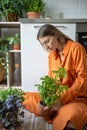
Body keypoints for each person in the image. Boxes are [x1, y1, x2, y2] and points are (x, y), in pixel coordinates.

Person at [23, 24, 87, 130]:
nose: (46, 47)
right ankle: (51, 111)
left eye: (47, 41)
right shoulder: (52, 56)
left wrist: (61, 101)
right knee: (23, 97)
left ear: (56, 35)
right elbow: (51, 80)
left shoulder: (76, 49)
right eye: (43, 44)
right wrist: (46, 101)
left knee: (69, 118)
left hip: (76, 99)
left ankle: (60, 114)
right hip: (55, 97)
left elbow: (83, 80)